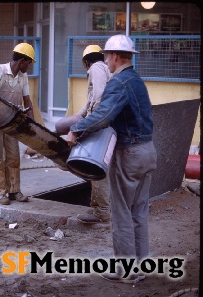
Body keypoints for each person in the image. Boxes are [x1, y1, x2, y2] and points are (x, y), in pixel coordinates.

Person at [66, 35, 157, 283]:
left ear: (116, 56)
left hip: (130, 154)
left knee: (122, 213)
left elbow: (103, 116)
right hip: (148, 151)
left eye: (106, 56)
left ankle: (126, 271)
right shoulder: (137, 81)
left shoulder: (119, 82)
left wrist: (76, 130)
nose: (105, 61)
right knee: (139, 212)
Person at [55, 45, 112, 224]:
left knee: (95, 167)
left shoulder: (95, 69)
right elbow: (88, 104)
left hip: (101, 123)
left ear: (86, 62)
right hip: (111, 124)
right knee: (107, 167)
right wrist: (78, 119)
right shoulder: (108, 69)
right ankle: (111, 207)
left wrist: (85, 125)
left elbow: (98, 99)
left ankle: (101, 211)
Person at [0, 43, 35, 205]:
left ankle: (14, 190)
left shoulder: (23, 77)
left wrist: (33, 126)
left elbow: (27, 101)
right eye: (29, 63)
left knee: (13, 157)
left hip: (12, 123)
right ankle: (1, 192)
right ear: (21, 61)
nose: (29, 66)